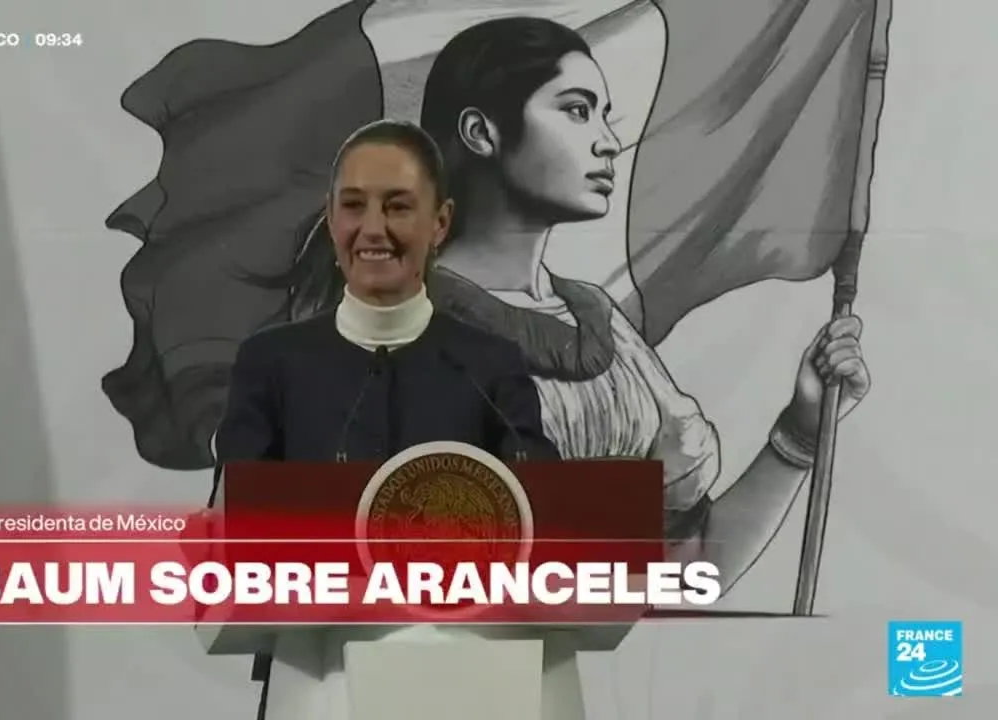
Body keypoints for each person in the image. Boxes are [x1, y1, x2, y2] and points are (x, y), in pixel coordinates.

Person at [268, 17, 872, 593]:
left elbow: (685, 574)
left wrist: (799, 433)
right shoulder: (389, 325)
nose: (608, 142)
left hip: (560, 663)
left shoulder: (602, 324)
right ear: (482, 132)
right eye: (577, 110)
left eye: (605, 116)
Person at [212, 118, 560, 719]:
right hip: (314, 679)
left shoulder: (490, 364)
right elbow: (235, 527)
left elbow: (551, 518)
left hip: (466, 679)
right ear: (331, 220)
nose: (373, 229)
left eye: (398, 207)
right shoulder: (271, 362)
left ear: (440, 223)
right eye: (353, 206)